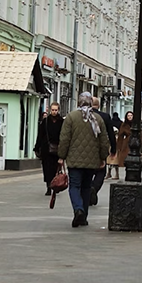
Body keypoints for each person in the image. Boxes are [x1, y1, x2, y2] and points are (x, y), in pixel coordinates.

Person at [57, 92, 109, 227]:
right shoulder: (97, 119)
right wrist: (103, 158)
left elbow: (64, 139)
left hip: (74, 161)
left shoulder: (71, 117)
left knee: (74, 186)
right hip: (92, 162)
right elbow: (104, 142)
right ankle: (84, 216)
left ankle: (78, 209)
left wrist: (61, 156)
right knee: (86, 187)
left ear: (79, 102)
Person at [34, 102, 64, 195]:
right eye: (53, 110)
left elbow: (64, 136)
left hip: (57, 149)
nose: (54, 112)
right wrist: (37, 147)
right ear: (50, 110)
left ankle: (55, 185)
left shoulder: (62, 122)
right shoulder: (45, 121)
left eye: (56, 110)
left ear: (58, 110)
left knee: (55, 169)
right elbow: (40, 135)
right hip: (46, 149)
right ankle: (48, 187)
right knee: (47, 169)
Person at [90, 96, 115, 195]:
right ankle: (94, 188)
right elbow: (110, 133)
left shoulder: (84, 116)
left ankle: (89, 191)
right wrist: (113, 149)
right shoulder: (105, 116)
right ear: (99, 105)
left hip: (86, 150)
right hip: (100, 148)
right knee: (101, 171)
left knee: (88, 172)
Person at [110, 110, 133, 178]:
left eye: (131, 116)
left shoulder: (136, 124)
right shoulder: (123, 124)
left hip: (134, 144)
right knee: (125, 159)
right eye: (128, 116)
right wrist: (118, 146)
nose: (130, 117)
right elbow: (121, 135)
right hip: (126, 144)